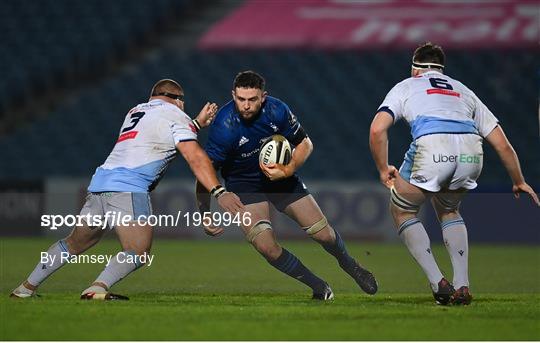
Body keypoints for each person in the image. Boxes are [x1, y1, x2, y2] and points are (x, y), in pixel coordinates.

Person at [11, 79, 244, 300]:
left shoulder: (135, 111)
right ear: (178, 99)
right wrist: (218, 192)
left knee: (73, 243)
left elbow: (156, 135)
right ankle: (97, 288)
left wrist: (194, 124)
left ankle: (26, 288)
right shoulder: (176, 115)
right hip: (129, 188)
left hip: (99, 185)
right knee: (138, 250)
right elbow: (194, 156)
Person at [369, 42, 539, 305]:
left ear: (416, 69)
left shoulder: (406, 85)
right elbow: (502, 143)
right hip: (471, 152)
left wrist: (383, 169)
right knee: (449, 210)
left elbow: (377, 130)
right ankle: (462, 284)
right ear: (441, 70)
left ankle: (439, 283)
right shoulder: (463, 90)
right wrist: (519, 181)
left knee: (403, 211)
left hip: (433, 147)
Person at [196, 71, 378, 300]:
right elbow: (203, 169)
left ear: (263, 97)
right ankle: (319, 287)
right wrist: (206, 212)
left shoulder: (277, 110)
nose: (246, 106)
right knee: (266, 247)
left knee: (323, 236)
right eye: (241, 99)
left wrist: (289, 169)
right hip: (244, 184)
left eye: (252, 99)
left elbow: (305, 143)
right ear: (233, 95)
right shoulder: (224, 125)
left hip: (281, 177)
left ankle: (349, 264)